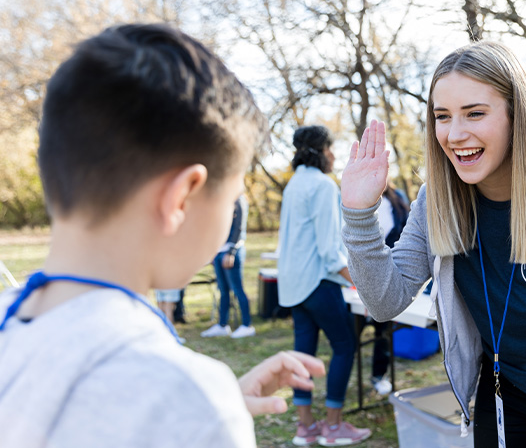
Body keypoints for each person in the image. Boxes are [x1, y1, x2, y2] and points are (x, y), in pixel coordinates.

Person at [0, 24, 326, 448]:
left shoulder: (14, 323)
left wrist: (207, 407)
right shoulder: (184, 397)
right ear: (181, 198)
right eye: (232, 198)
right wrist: (202, 414)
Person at [340, 41, 526, 448]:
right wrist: (359, 214)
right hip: (503, 389)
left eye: (475, 113)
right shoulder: (439, 198)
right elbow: (384, 301)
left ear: (516, 115)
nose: (454, 134)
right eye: (442, 117)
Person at [277, 126, 371, 446]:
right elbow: (330, 250)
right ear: (320, 150)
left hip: (292, 286)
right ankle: (333, 426)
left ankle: (306, 428)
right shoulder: (322, 185)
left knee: (303, 355)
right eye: (331, 148)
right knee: (345, 346)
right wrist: (362, 283)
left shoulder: (293, 185)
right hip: (318, 283)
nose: (334, 155)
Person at [355, 183, 410, 396]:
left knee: (383, 330)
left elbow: (405, 235)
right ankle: (343, 368)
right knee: (352, 334)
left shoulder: (397, 197)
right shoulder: (354, 197)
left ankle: (379, 375)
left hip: (390, 275)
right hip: (358, 277)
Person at [201, 194, 255, 339]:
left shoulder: (240, 199)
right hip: (219, 251)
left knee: (237, 289)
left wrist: (231, 252)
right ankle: (222, 325)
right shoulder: (225, 197)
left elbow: (239, 228)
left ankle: (247, 325)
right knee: (223, 290)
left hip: (232, 252)